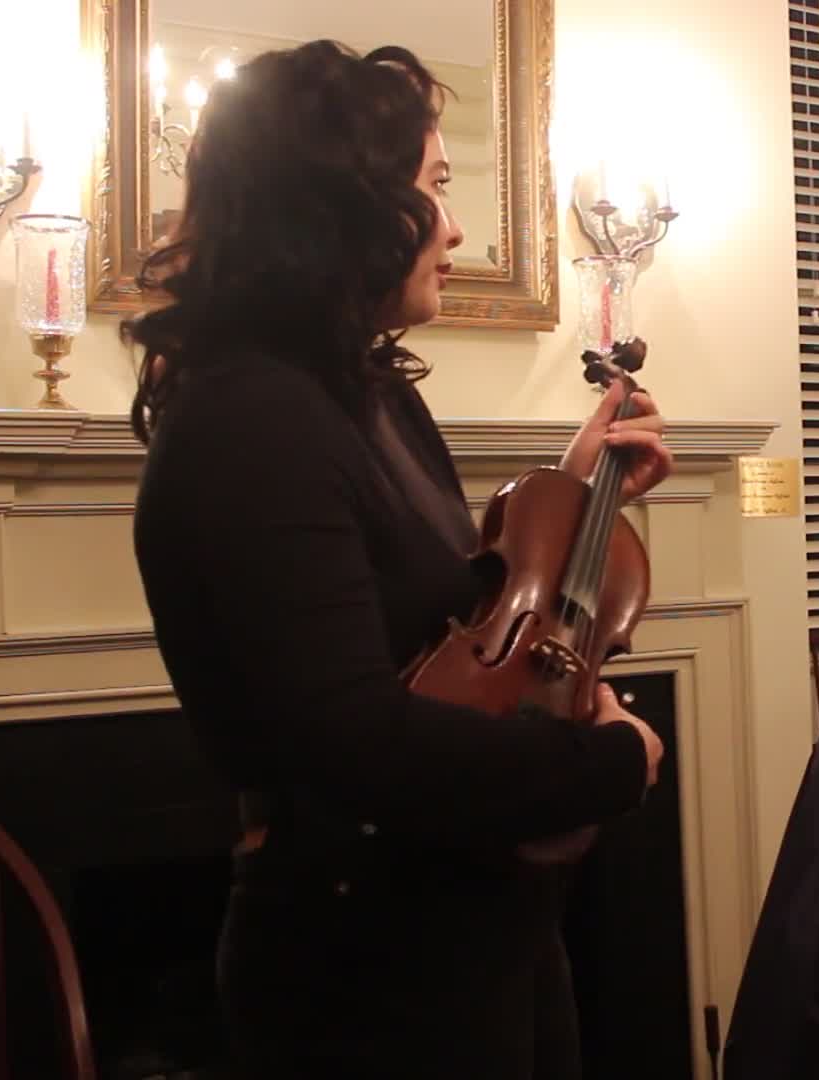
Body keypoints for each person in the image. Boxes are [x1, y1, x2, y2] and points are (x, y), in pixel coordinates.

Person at [126, 41, 671, 1079]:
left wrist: (574, 494)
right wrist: (605, 763)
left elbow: (437, 619)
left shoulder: (368, 394)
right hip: (366, 975)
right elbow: (354, 739)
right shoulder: (248, 420)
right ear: (342, 210)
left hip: (473, 929)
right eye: (434, 188)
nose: (455, 227)